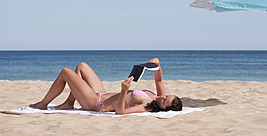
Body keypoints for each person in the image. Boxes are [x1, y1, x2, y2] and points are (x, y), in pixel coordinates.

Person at [30, 58, 182, 114]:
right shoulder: (158, 97)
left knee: (65, 72)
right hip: (102, 94)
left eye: (164, 101)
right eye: (166, 96)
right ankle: (69, 103)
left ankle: (43, 104)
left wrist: (123, 91)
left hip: (96, 103)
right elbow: (159, 81)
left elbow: (121, 112)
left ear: (162, 109)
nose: (162, 97)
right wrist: (156, 65)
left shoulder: (147, 105)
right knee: (81, 66)